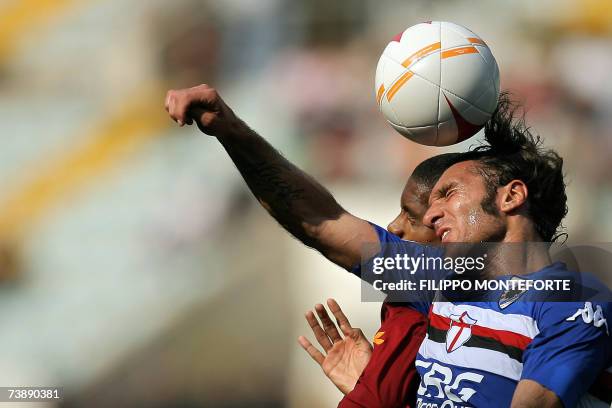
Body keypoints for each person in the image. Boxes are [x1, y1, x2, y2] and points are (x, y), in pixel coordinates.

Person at [164, 84, 610, 407]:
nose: (431, 217)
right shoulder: (437, 279)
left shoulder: (572, 304)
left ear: (511, 197)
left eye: (450, 194)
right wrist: (230, 131)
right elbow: (322, 220)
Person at [298, 153, 462, 407]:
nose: (394, 226)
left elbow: (315, 223)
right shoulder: (411, 306)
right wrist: (367, 385)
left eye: (411, 216)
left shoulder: (420, 311)